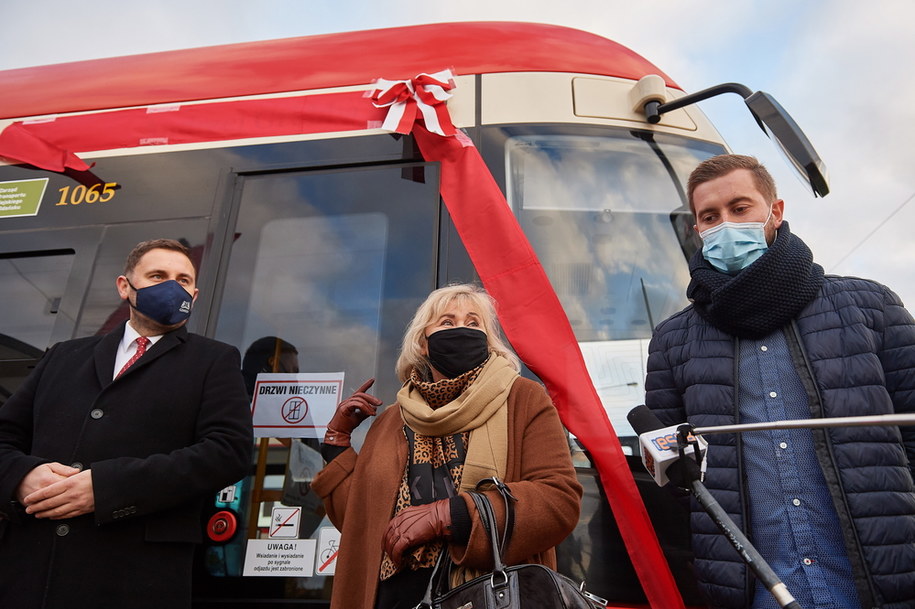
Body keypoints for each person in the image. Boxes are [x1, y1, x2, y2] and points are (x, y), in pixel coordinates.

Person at [645, 154, 915, 609]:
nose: (725, 224)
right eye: (709, 216)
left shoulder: (871, 307)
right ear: (697, 229)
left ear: (775, 211)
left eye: (740, 207)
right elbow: (671, 484)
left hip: (882, 582)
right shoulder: (673, 340)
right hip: (754, 593)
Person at [0, 239, 253, 609]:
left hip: (136, 581)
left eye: (183, 280)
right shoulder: (63, 357)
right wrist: (21, 477)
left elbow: (228, 453)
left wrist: (106, 488)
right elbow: (5, 436)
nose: (172, 287)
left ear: (195, 295)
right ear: (124, 286)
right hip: (32, 576)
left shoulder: (214, 361)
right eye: (157, 275)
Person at [312, 283, 582, 609]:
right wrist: (337, 442)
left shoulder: (523, 398)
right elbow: (361, 525)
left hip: (489, 595)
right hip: (397, 597)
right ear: (423, 344)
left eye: (473, 323)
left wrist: (448, 515)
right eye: (447, 322)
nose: (461, 331)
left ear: (488, 338)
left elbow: (557, 501)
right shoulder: (392, 420)